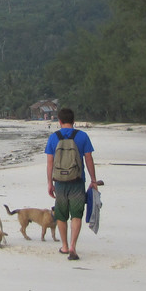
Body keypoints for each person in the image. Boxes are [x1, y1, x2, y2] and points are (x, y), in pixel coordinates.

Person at [45, 108, 101, 260]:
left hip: (60, 183)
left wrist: (50, 183)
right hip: (77, 181)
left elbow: (50, 163)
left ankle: (63, 246)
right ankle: (72, 247)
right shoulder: (82, 136)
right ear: (73, 121)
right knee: (76, 214)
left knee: (61, 215)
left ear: (60, 121)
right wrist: (93, 180)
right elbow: (88, 159)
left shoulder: (53, 137)